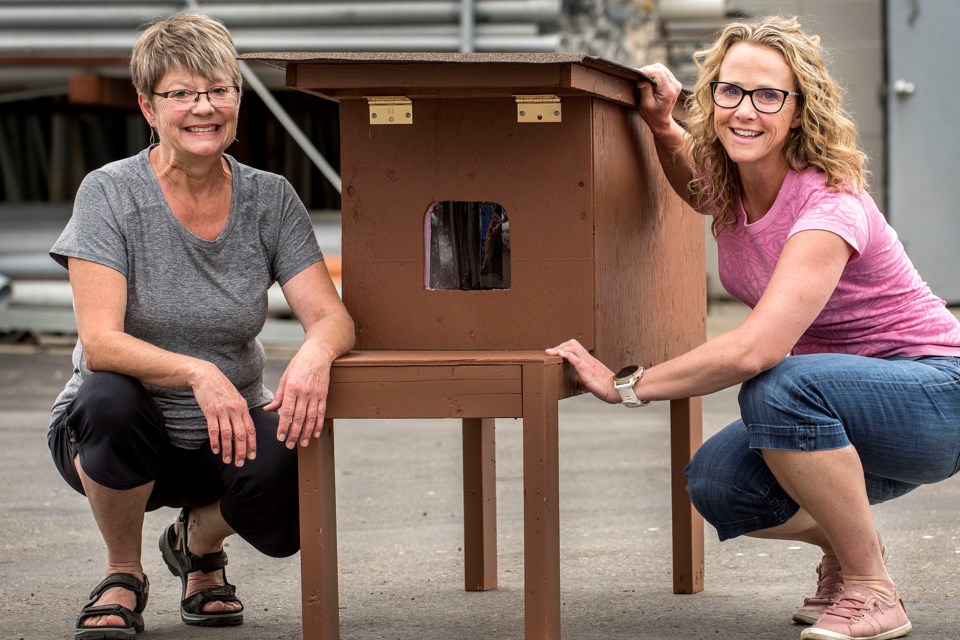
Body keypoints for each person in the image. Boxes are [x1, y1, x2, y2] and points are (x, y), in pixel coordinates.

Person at [548, 15, 960, 640]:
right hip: (845, 405)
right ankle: (851, 559)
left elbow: (755, 351)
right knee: (718, 484)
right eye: (731, 90)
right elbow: (699, 189)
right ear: (711, 96)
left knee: (778, 386)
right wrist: (662, 124)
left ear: (799, 112)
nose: (746, 110)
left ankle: (874, 590)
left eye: (769, 96)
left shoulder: (829, 205)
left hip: (933, 398)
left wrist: (627, 385)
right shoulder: (736, 190)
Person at [46, 12, 355, 640]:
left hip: (228, 431)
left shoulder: (271, 199)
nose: (203, 107)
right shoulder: (109, 194)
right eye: (181, 93)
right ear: (147, 106)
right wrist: (197, 371)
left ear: (238, 97)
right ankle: (123, 572)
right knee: (107, 395)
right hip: (118, 435)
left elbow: (331, 316)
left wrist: (313, 355)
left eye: (218, 89)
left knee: (297, 464)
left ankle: (197, 543)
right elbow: (100, 342)